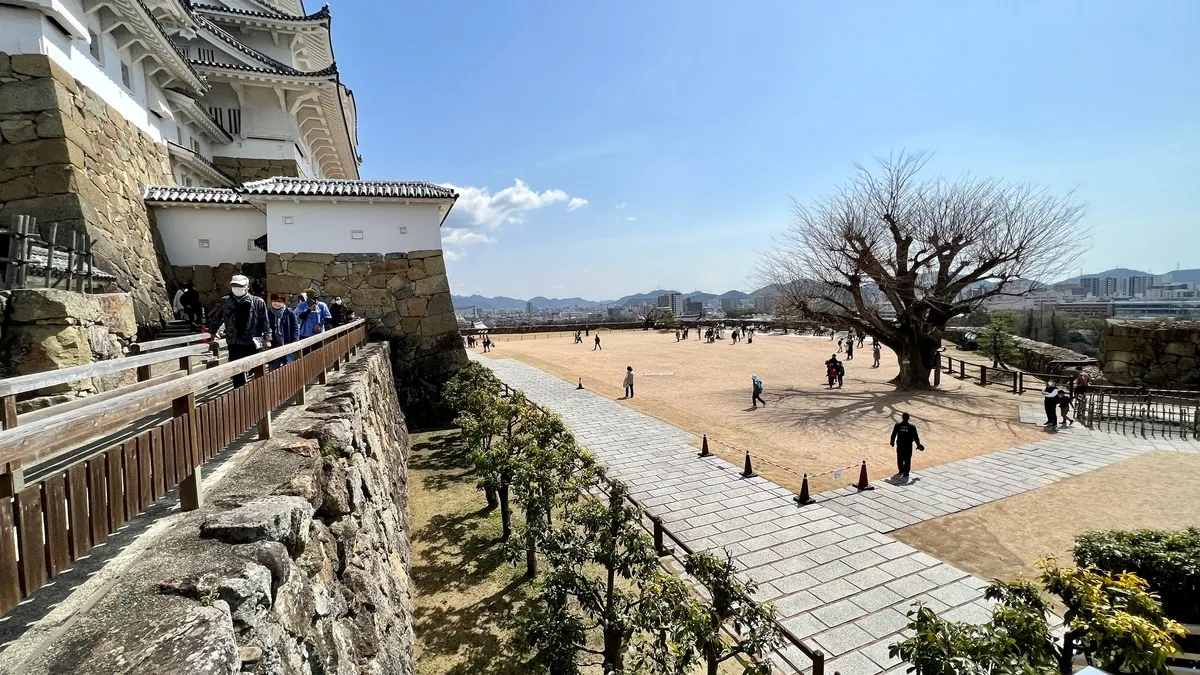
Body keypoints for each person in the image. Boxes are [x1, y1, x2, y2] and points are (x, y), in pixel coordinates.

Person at [215, 275, 269, 388]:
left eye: (240, 286)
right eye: (234, 285)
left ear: (247, 287)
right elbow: (217, 317)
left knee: (257, 368)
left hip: (253, 340)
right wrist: (213, 332)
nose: (237, 288)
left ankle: (258, 391)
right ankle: (239, 393)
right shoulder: (225, 301)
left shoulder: (258, 302)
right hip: (234, 341)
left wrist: (268, 338)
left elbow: (265, 321)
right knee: (236, 370)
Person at [266, 292, 299, 369]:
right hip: (274, 344)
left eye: (279, 301)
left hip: (287, 343)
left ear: (283, 302)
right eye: (274, 301)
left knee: (288, 366)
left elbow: (295, 328)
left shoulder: (290, 313)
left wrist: (294, 342)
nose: (276, 303)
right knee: (274, 367)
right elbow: (265, 328)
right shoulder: (268, 313)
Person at [890, 412, 925, 480]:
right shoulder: (912, 427)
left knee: (900, 456)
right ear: (908, 418)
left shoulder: (898, 425)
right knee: (907, 458)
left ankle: (900, 470)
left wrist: (892, 441)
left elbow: (893, 434)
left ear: (902, 417)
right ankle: (906, 472)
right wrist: (918, 445)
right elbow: (916, 437)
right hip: (908, 444)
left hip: (900, 444)